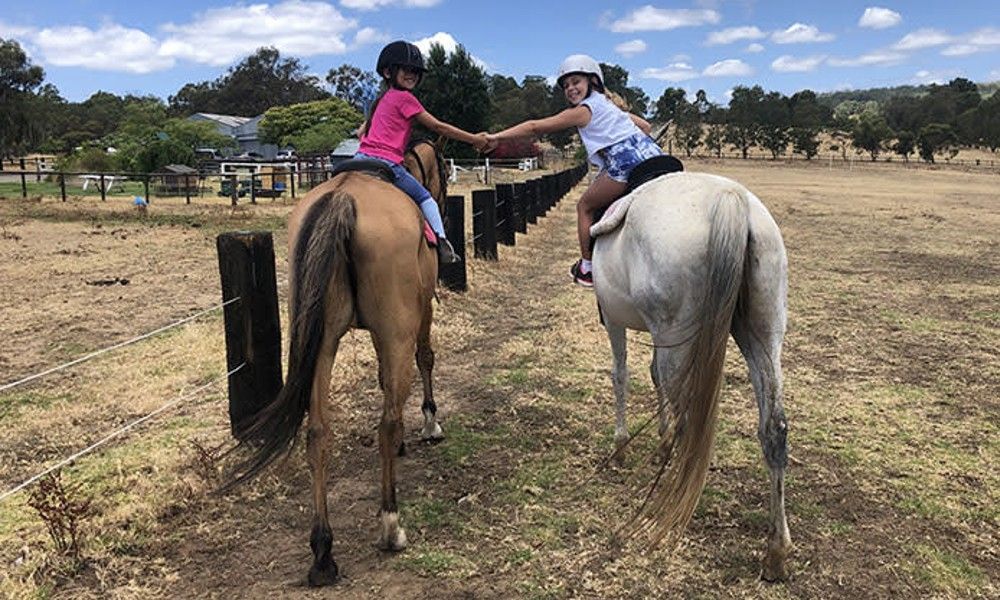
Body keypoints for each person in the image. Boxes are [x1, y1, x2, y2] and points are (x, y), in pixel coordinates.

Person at [484, 54, 661, 287]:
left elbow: (534, 126)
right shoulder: (610, 106)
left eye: (576, 81)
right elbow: (646, 127)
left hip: (624, 164)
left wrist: (495, 136)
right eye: (566, 85)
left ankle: (587, 268)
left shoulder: (583, 111)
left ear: (592, 82)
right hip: (656, 156)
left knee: (585, 207)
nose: (570, 88)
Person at [355, 40, 490, 264]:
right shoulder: (406, 98)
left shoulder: (380, 100)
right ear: (388, 72)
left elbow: (361, 132)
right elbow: (438, 127)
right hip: (387, 164)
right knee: (425, 197)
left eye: (416, 71)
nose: (412, 75)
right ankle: (442, 242)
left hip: (359, 159)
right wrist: (474, 139)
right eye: (406, 69)